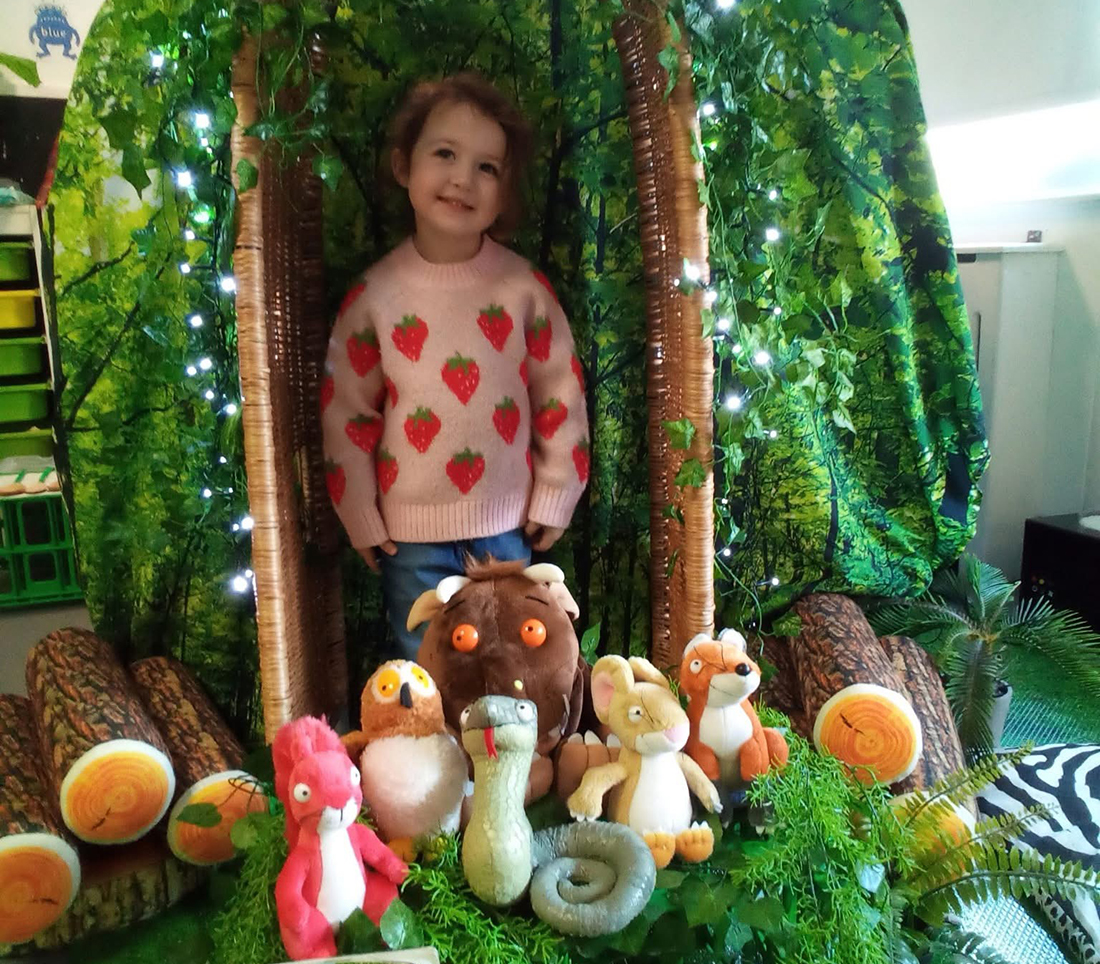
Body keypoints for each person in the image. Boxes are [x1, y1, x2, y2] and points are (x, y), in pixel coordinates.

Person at [321, 73, 590, 659]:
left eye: (488, 167)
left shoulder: (524, 290)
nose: (463, 179)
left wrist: (556, 493)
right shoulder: (374, 296)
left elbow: (559, 397)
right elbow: (347, 412)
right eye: (445, 153)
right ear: (403, 166)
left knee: (511, 662)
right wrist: (359, 512)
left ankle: (522, 755)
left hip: (506, 527)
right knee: (428, 670)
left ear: (505, 190)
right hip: (408, 539)